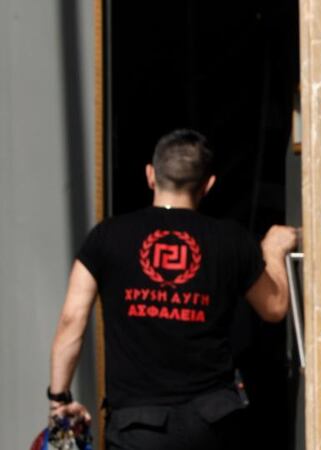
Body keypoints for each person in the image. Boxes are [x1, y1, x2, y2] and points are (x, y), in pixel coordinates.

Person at [48, 129, 298, 449]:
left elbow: (72, 322)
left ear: (150, 175)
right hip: (213, 422)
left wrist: (59, 401)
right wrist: (273, 250)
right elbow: (275, 307)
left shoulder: (107, 236)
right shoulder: (230, 240)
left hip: (138, 427)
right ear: (208, 185)